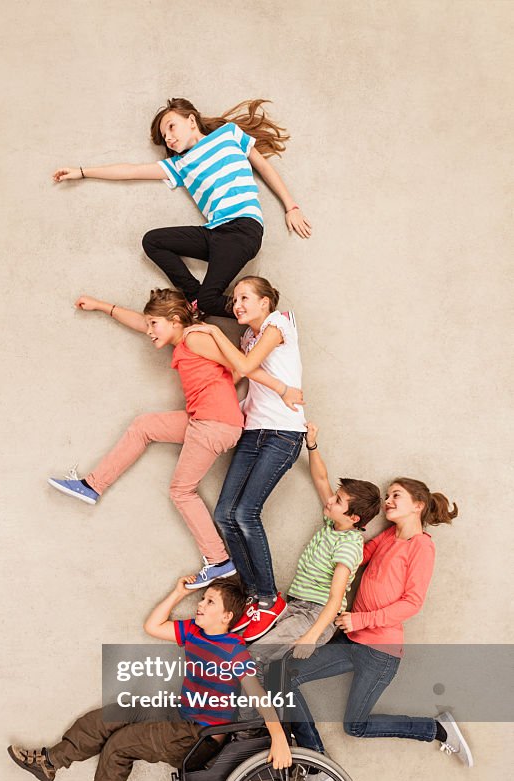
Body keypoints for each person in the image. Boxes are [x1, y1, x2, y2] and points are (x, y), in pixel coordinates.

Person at [48, 288, 302, 590]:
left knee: (182, 491)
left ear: (174, 320)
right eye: (150, 324)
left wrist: (282, 388)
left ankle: (218, 559)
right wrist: (101, 306)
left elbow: (240, 366)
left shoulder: (196, 337)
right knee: (144, 426)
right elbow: (141, 323)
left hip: (215, 423)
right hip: (203, 420)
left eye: (155, 324)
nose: (149, 330)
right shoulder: (182, 337)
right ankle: (92, 486)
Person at [7, 577, 291, 781]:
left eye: (209, 602)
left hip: (200, 739)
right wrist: (180, 592)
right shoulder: (194, 631)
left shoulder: (234, 650)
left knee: (120, 745)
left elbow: (258, 696)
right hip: (179, 715)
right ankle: (50, 762)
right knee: (114, 714)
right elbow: (153, 626)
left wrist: (278, 739)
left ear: (227, 617)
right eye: (202, 599)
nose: (200, 605)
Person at [281, 472, 474, 780]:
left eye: (396, 495)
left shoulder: (421, 546)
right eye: (387, 495)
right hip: (352, 641)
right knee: (282, 677)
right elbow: (356, 555)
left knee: (354, 726)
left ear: (418, 505)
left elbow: (412, 603)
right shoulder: (388, 536)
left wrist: (361, 618)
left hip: (379, 652)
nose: (388, 501)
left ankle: (435, 729)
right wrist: (341, 530)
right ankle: (317, 763)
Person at [53, 98, 311, 319]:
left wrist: (291, 206)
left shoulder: (229, 134)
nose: (169, 137)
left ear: (191, 120)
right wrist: (82, 172)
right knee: (153, 241)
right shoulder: (179, 164)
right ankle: (195, 297)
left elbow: (264, 167)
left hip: (242, 229)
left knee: (211, 301)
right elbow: (131, 170)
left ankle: (268, 318)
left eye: (171, 127)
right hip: (215, 233)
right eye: (165, 136)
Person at [183, 276, 307, 639]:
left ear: (266, 302)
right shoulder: (248, 337)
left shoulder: (278, 323)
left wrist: (215, 334)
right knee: (225, 513)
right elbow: (238, 370)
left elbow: (248, 364)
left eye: (245, 298)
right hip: (253, 431)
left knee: (246, 513)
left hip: (284, 433)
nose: (237, 305)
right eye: (234, 299)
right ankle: (253, 594)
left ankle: (270, 597)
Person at [247, 423, 380, 708]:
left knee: (255, 656)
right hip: (296, 606)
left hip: (314, 616)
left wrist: (311, 636)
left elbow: (335, 599)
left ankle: (252, 720)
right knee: (249, 645)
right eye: (336, 496)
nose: (331, 500)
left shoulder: (348, 545)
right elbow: (321, 479)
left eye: (339, 500)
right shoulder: (333, 522)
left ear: (354, 517)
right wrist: (312, 445)